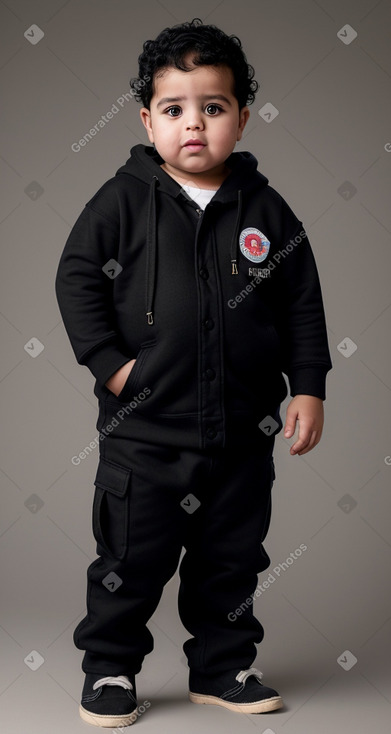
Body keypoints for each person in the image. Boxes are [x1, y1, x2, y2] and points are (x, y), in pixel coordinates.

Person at [55, 17, 332, 728]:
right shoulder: (121, 201)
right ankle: (111, 668)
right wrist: (112, 368)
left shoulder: (264, 209)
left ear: (241, 116)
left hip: (241, 432)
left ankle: (222, 667)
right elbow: (77, 279)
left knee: (231, 558)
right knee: (129, 557)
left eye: (212, 108)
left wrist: (307, 387)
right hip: (143, 433)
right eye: (174, 109)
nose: (194, 126)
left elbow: (301, 303)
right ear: (148, 119)